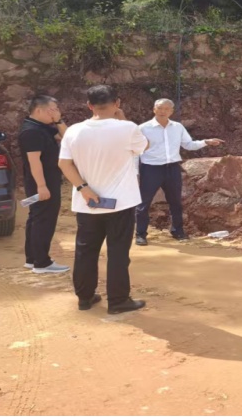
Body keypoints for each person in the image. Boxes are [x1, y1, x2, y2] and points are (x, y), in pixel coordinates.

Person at [58, 85, 149, 313]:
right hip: (121, 203)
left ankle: (84, 297)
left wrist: (83, 188)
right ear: (117, 103)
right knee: (118, 253)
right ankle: (118, 301)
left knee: (85, 251)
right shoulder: (128, 128)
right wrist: (123, 119)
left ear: (89, 105)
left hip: (87, 203)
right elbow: (144, 146)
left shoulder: (74, 131)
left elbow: (64, 164)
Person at [135, 98, 223, 245]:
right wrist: (135, 171)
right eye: (159, 108)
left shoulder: (177, 127)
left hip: (172, 168)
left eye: (166, 109)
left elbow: (188, 145)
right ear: (154, 109)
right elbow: (136, 151)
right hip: (151, 169)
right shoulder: (143, 128)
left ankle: (178, 231)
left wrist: (206, 142)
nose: (163, 111)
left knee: (175, 201)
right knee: (144, 202)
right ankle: (140, 234)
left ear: (171, 111)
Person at [18, 95, 68, 274]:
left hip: (47, 181)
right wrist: (41, 186)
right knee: (44, 221)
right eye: (52, 110)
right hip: (42, 183)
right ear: (39, 110)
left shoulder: (42, 127)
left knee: (37, 218)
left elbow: (68, 137)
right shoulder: (31, 132)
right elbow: (34, 161)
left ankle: (32, 259)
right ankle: (42, 262)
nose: (55, 113)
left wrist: (58, 121)